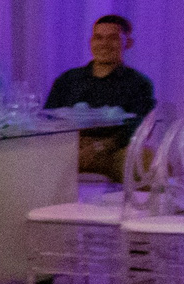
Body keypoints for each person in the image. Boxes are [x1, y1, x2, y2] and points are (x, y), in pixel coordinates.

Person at [45, 14, 157, 181]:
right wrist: (73, 145)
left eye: (113, 38)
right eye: (98, 38)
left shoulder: (138, 83)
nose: (104, 44)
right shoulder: (68, 79)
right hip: (67, 149)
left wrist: (100, 147)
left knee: (149, 163)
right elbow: (47, 118)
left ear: (128, 43)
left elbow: (139, 127)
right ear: (91, 42)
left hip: (113, 152)